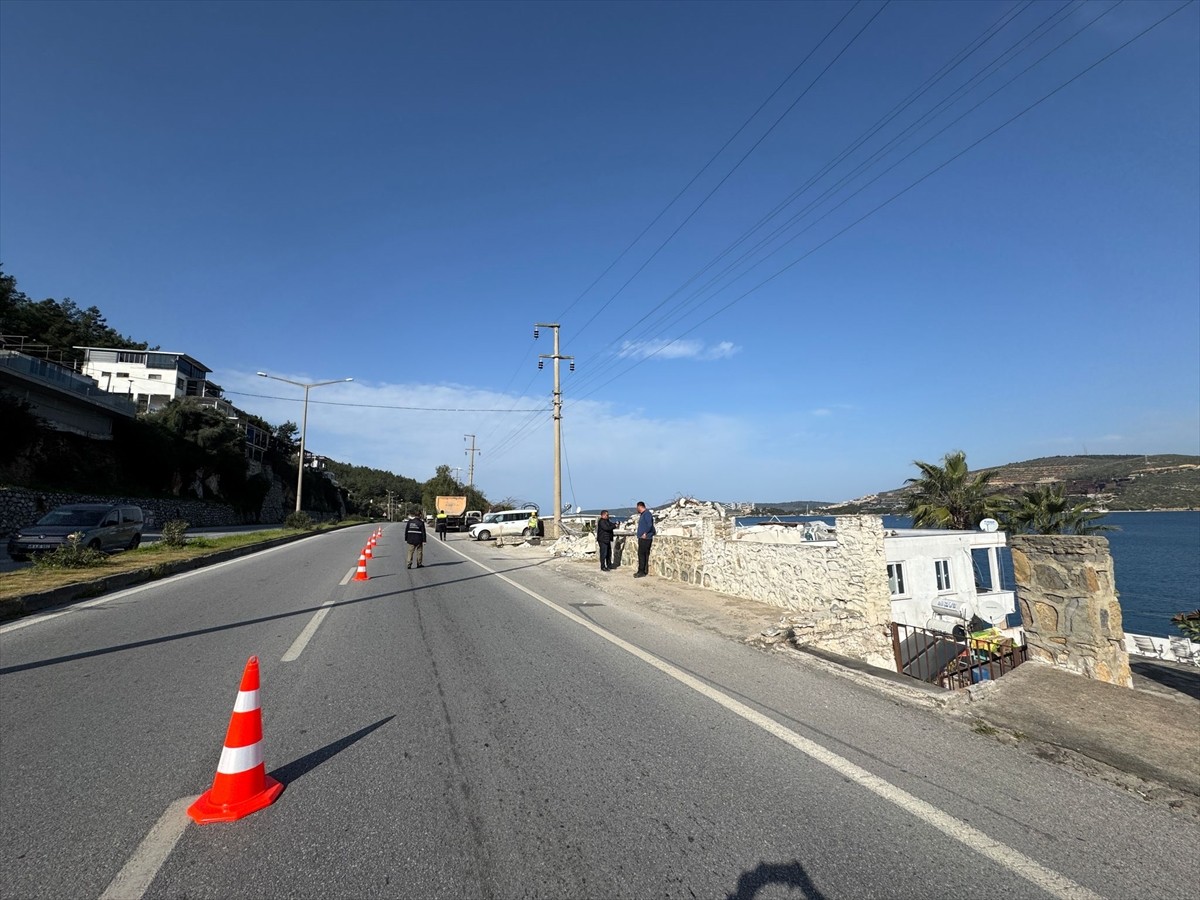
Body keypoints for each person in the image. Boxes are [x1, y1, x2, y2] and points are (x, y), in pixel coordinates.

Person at [634, 501, 655, 578]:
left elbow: (650, 525)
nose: (636, 509)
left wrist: (645, 533)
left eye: (637, 507)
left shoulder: (647, 514)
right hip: (642, 537)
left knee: (642, 554)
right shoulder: (643, 514)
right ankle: (642, 570)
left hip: (645, 538)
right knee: (642, 554)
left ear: (640, 506)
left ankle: (641, 571)